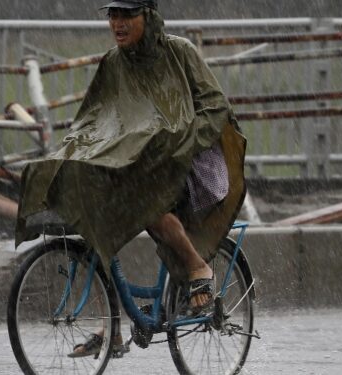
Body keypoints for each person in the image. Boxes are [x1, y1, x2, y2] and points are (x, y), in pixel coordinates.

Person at [14, 0, 246, 358]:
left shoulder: (178, 52)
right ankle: (115, 327)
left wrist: (176, 138)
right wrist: (69, 154)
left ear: (148, 16)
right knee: (97, 210)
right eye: (112, 15)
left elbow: (216, 108)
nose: (117, 23)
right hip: (139, 163)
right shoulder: (112, 64)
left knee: (146, 202)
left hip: (191, 162)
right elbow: (92, 120)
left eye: (126, 15)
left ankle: (198, 267)